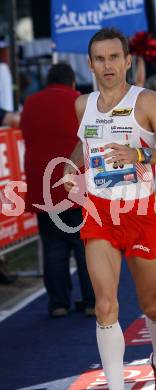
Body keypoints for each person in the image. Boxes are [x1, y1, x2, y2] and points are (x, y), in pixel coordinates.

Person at [63, 28, 156, 389]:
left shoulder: (145, 101)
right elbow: (83, 144)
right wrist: (73, 168)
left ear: (128, 61)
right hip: (99, 214)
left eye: (114, 58)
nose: (107, 66)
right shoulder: (82, 105)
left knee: (151, 304)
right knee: (105, 305)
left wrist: (138, 154)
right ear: (90, 64)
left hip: (141, 213)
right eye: (100, 59)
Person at [20, 63, 95, 318]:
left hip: (42, 186)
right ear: (72, 82)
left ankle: (58, 304)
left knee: (53, 247)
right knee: (85, 246)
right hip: (74, 185)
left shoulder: (30, 103)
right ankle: (92, 301)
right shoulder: (80, 102)